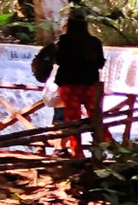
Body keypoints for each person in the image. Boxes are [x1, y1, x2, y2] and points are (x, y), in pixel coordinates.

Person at [36, 11, 107, 158]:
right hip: (90, 85)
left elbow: (58, 61)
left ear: (69, 24)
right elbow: (100, 63)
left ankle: (77, 152)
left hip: (69, 85)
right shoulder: (95, 42)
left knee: (72, 120)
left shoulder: (63, 41)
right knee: (96, 117)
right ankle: (107, 150)